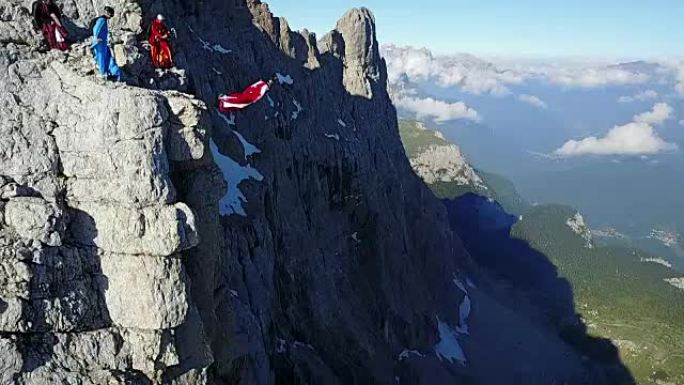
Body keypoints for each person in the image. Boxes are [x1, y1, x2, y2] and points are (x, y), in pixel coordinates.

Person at [91, 6, 121, 81]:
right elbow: (96, 29)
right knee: (101, 58)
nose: (110, 16)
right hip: (100, 43)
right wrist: (96, 39)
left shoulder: (103, 20)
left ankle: (111, 73)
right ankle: (103, 74)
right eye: (110, 14)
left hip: (103, 42)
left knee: (107, 57)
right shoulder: (102, 20)